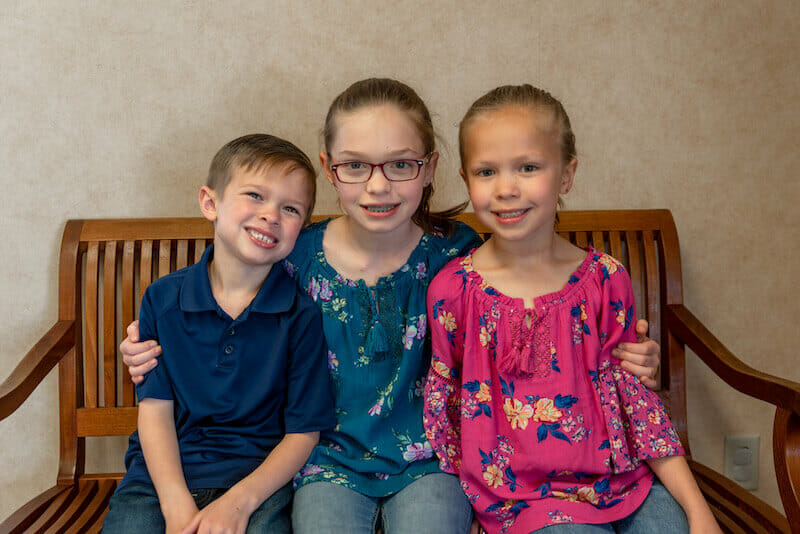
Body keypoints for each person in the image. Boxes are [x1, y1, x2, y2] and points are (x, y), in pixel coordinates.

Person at [120, 79, 662, 534]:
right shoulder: (293, 253)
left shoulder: (461, 256)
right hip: (323, 460)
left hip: (433, 461)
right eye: (356, 166)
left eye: (400, 164)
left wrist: (628, 357)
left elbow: (535, 303)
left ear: (429, 168)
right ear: (330, 169)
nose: (378, 186)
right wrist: (147, 347)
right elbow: (222, 302)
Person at [423, 84, 720, 534]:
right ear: (465, 179)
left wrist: (699, 511)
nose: (506, 188)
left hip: (625, 480)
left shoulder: (605, 278)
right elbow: (446, 411)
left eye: (528, 167)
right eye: (486, 172)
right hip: (525, 499)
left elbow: (636, 399)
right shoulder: (454, 291)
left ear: (566, 175)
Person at [103, 134, 335, 534]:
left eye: (290, 208)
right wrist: (176, 507)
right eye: (255, 196)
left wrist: (237, 504)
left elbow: (303, 434)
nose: (271, 215)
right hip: (160, 477)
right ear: (210, 203)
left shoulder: (301, 315)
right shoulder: (163, 299)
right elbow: (155, 412)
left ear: (302, 228)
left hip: (257, 481)